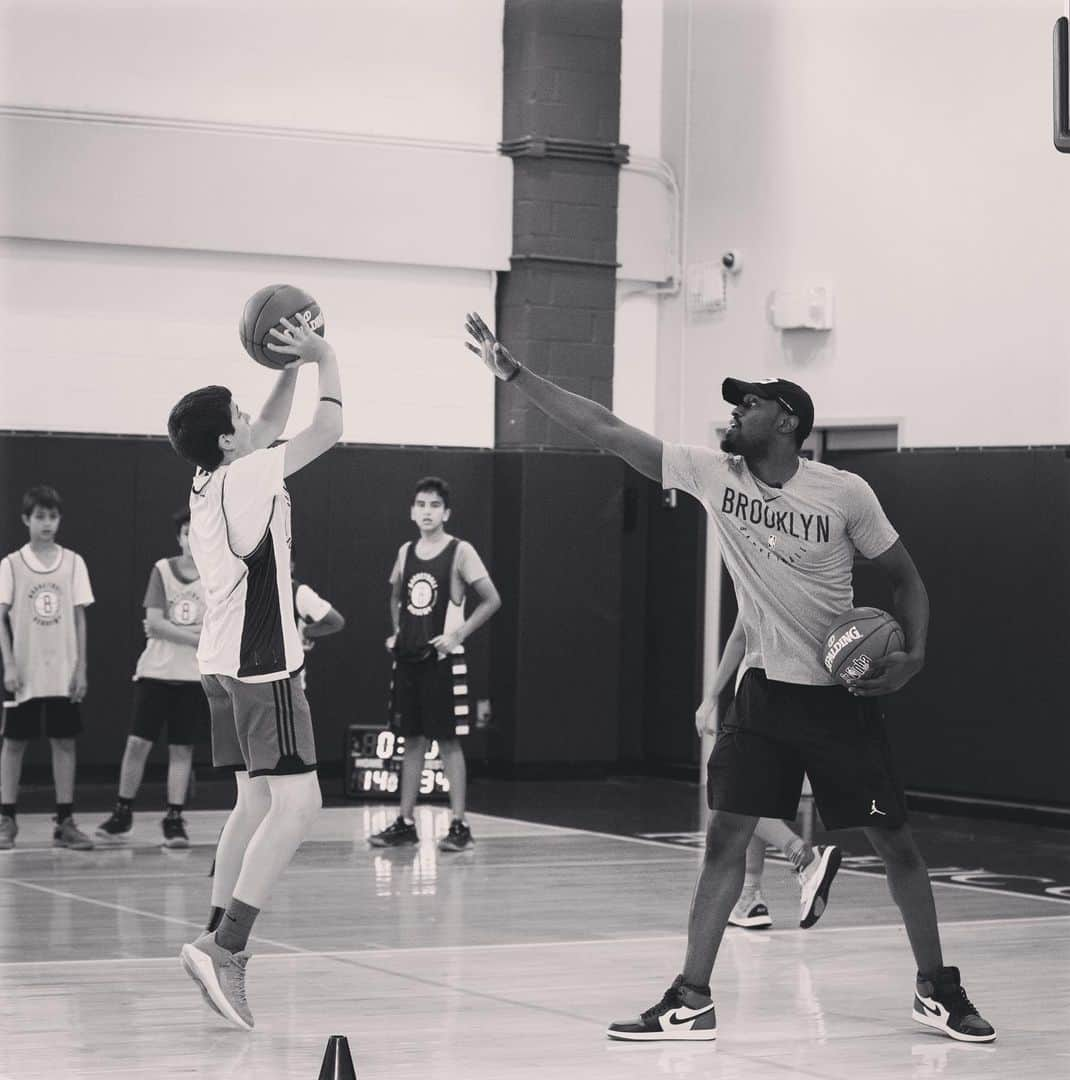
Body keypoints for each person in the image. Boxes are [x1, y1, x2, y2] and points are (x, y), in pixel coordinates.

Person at [464, 312, 995, 1045]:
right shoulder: (714, 473)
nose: (734, 413)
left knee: (896, 844)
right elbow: (611, 431)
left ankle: (937, 988)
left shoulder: (845, 494)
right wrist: (515, 376)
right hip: (764, 697)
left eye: (747, 404)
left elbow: (907, 581)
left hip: (840, 699)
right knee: (724, 841)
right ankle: (691, 997)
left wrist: (914, 659)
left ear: (786, 420)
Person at [167, 314, 342, 1031]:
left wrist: (288, 365)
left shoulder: (211, 477)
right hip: (263, 664)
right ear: (224, 439)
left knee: (255, 804)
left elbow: (267, 421)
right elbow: (325, 432)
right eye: (237, 415)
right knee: (300, 809)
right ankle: (227, 946)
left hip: (220, 662)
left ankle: (211, 932)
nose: (252, 417)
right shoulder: (244, 476)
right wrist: (325, 356)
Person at [368, 476, 500, 853]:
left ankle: (460, 825)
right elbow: (395, 597)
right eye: (421, 505)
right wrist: (397, 632)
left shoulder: (460, 551)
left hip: (443, 661)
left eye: (434, 506)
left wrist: (458, 635)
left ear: (446, 512)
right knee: (411, 742)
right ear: (412, 511)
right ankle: (405, 823)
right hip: (408, 660)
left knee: (448, 742)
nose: (427, 512)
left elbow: (492, 599)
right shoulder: (406, 551)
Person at [696, 613, 842, 930]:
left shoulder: (761, 568)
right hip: (799, 690)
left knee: (733, 798)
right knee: (753, 799)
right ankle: (750, 897)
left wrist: (710, 696)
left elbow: (738, 634)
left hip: (761, 691)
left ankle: (804, 857)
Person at [96, 509, 208, 848]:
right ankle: (122, 812)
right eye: (187, 533)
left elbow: (212, 629)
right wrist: (193, 633)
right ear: (179, 538)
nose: (192, 539)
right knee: (137, 743)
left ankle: (174, 818)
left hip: (192, 677)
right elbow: (154, 623)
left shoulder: (217, 576)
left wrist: (172, 631)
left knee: (181, 749)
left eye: (199, 532)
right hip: (156, 672)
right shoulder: (162, 569)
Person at [0, 485, 94, 850]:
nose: (47, 523)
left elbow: (80, 618)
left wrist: (81, 667)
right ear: (26, 519)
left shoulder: (73, 562)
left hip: (62, 671)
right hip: (22, 671)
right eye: (40, 516)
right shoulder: (10, 564)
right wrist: (8, 663)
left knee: (64, 743)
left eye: (52, 516)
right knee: (13, 743)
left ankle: (65, 821)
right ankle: (7, 819)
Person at [291, 554, 345, 693]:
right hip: (253, 682)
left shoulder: (298, 592)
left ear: (291, 565)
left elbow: (335, 621)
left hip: (289, 682)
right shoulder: (249, 588)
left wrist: (305, 631)